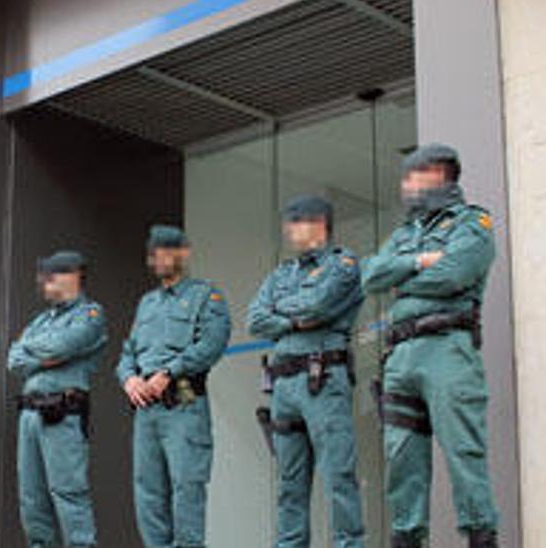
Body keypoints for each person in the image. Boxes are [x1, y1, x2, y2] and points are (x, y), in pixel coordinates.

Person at [362, 144, 499, 548]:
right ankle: (407, 539)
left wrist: (400, 280)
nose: (405, 186)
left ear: (438, 174)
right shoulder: (406, 233)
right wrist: (420, 262)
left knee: (463, 453)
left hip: (447, 350)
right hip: (400, 358)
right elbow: (371, 275)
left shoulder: (473, 222)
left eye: (412, 176)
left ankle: (481, 535)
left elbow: (455, 274)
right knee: (401, 460)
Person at [247, 195, 365, 548]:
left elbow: (319, 304)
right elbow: (255, 319)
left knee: (339, 478)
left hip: (323, 380)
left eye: (296, 222)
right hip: (284, 387)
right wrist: (298, 321)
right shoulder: (282, 273)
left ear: (318, 225)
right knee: (289, 485)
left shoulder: (343, 265)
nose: (289, 230)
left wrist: (281, 316)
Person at [116, 225, 230, 548]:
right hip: (146, 410)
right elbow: (128, 353)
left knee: (187, 489)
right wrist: (129, 378)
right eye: (155, 252)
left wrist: (170, 371)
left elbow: (212, 343)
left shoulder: (206, 295)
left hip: (183, 401)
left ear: (184, 254)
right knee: (148, 493)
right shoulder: (147, 304)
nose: (161, 257)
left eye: (168, 249)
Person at [7, 250, 107, 548]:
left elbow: (59, 347)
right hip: (29, 415)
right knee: (32, 501)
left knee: (69, 496)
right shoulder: (40, 321)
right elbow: (14, 361)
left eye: (54, 274)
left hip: (62, 414)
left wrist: (33, 350)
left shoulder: (90, 314)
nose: (45, 281)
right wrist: (44, 354)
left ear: (75, 276)